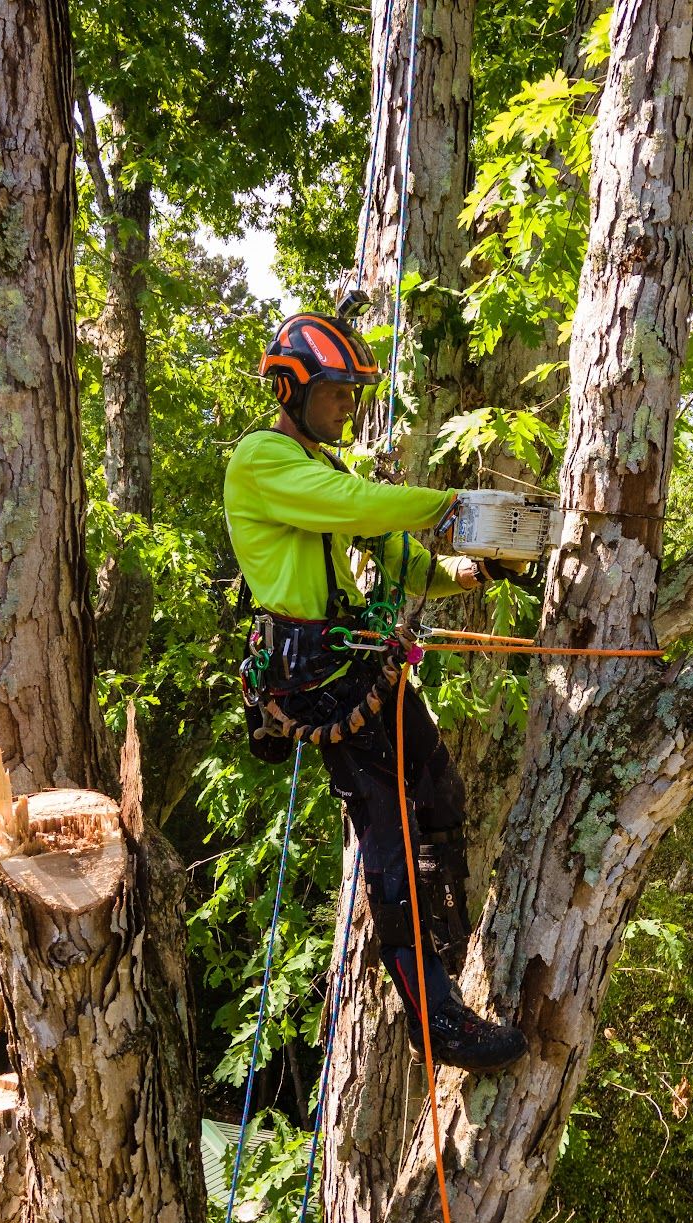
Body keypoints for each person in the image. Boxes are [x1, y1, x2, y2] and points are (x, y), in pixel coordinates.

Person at [223, 309, 527, 1074]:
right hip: (318, 677)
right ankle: (437, 1021)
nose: (348, 406)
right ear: (290, 388)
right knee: (390, 843)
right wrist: (451, 507)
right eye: (337, 391)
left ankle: (451, 957)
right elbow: (365, 511)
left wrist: (481, 564)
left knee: (440, 803)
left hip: (359, 668)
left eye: (355, 392)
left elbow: (403, 559)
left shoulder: (325, 477)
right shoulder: (263, 461)